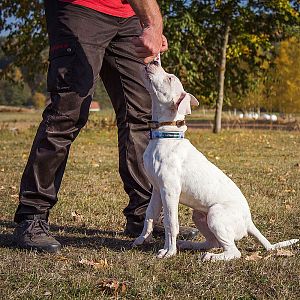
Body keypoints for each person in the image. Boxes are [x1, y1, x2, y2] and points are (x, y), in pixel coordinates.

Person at [13, 0, 198, 253]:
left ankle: (144, 216)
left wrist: (149, 25)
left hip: (128, 13)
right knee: (68, 112)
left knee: (141, 115)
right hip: (81, 7)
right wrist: (153, 23)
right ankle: (31, 217)